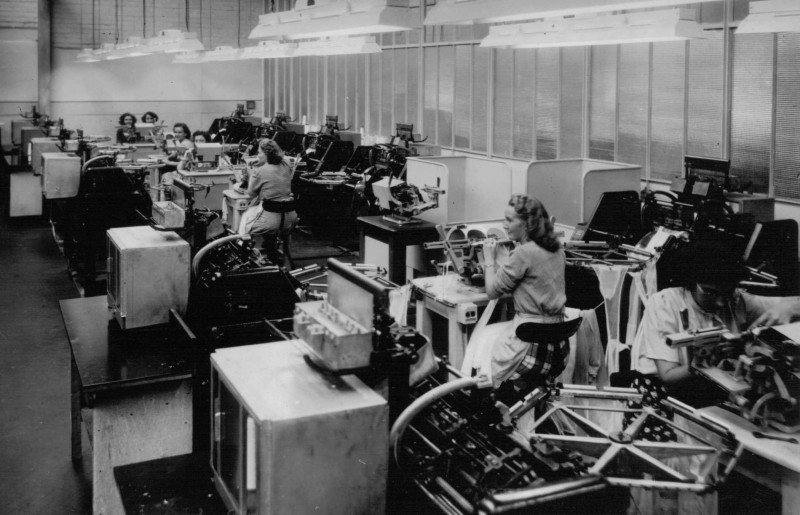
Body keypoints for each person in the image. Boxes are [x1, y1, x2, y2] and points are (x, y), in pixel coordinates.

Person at [625, 237, 800, 440]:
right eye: (710, 292)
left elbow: (790, 306)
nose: (719, 302)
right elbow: (669, 376)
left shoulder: (735, 301)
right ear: (691, 280)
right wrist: (699, 364)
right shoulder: (665, 304)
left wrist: (788, 307)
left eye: (726, 292)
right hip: (662, 398)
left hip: (710, 397)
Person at [481, 194, 567, 401]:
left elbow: (492, 291)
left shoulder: (522, 254)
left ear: (528, 224)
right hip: (558, 345)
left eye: (510, 220)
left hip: (532, 346)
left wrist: (489, 260)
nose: (504, 225)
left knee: (483, 344)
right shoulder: (556, 248)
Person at [236, 139, 297, 266]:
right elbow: (281, 159)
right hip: (289, 219)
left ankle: (241, 250)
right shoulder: (286, 163)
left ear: (267, 154)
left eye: (259, 153)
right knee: (265, 216)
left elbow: (251, 194)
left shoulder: (259, 171)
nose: (257, 156)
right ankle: (272, 250)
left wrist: (252, 171)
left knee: (245, 217)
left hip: (269, 221)